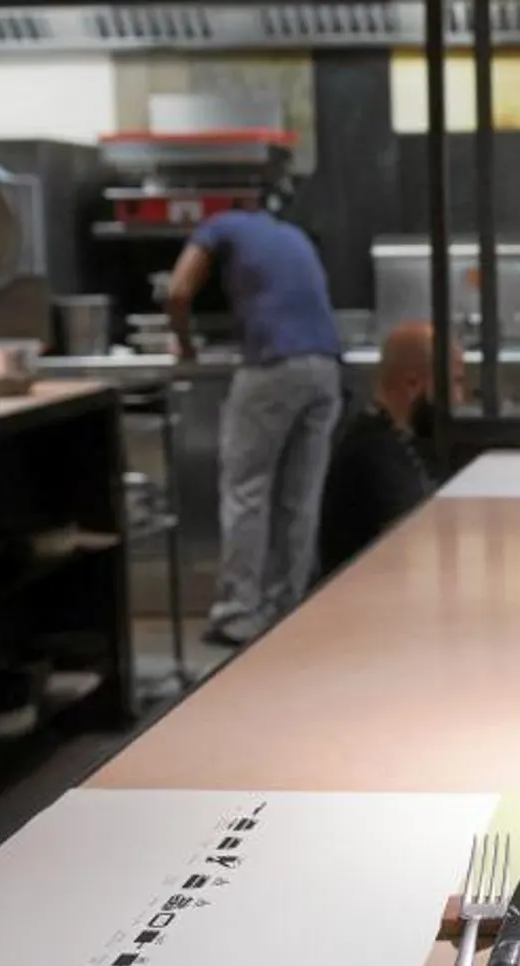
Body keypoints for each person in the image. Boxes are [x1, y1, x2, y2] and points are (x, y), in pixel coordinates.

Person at [165, 189, 345, 647]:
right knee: (299, 497)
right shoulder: (291, 235)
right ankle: (288, 609)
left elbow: (179, 290)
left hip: (273, 366)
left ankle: (237, 614)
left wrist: (183, 342)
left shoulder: (217, 227)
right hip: (325, 368)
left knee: (247, 491)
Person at [316, 321, 464, 579]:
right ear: (412, 383)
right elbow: (417, 542)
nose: (459, 399)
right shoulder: (373, 454)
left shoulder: (399, 438)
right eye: (455, 383)